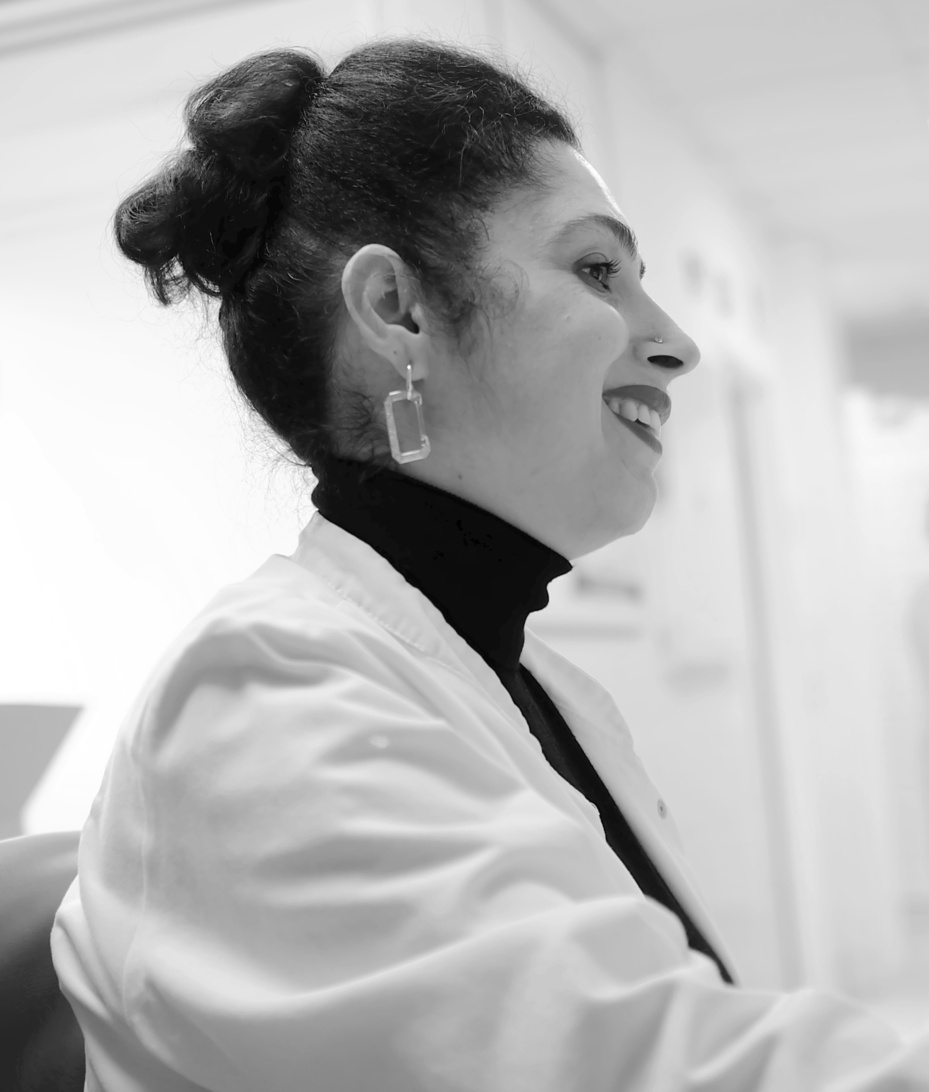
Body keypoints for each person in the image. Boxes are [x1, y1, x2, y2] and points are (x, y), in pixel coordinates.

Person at [51, 39, 929, 1092]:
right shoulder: (265, 701)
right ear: (397, 311)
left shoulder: (525, 682)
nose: (675, 344)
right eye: (597, 271)